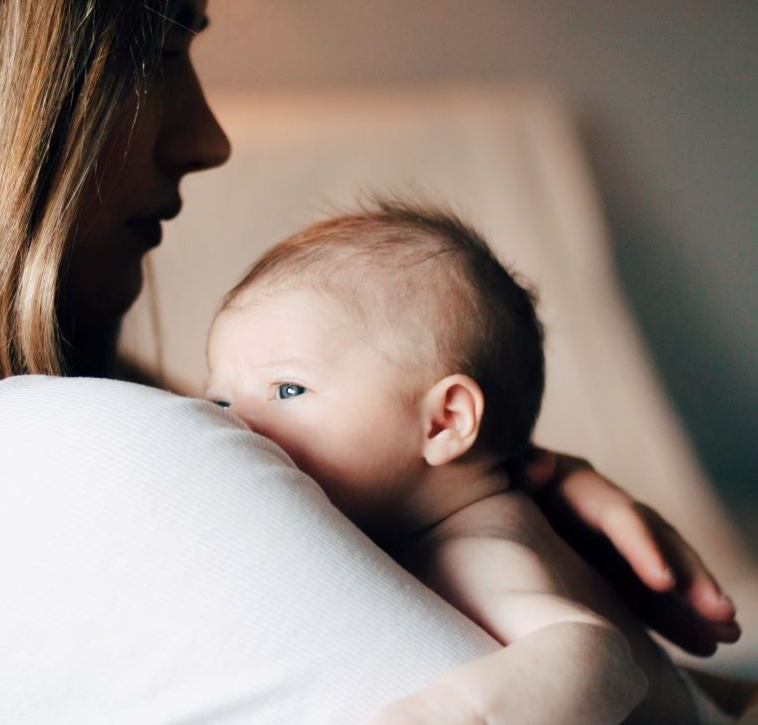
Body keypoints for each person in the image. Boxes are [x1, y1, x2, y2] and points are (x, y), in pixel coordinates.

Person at [0, 0, 746, 722]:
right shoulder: (60, 461)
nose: (206, 136)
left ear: (448, 417)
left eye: (286, 392)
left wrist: (498, 478)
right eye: (155, 45)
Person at [203, 200, 739, 724]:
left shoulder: (477, 548)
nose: (235, 422)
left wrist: (453, 712)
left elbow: (598, 655)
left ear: (445, 422)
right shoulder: (440, 522)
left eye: (288, 388)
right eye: (220, 401)